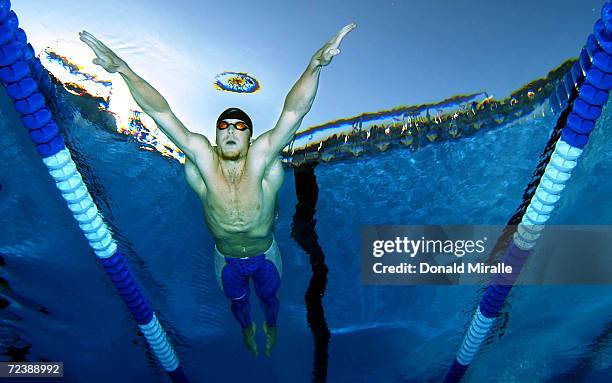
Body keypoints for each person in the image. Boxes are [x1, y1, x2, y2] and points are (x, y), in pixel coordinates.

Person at [79, 23, 356, 357]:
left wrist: (314, 67)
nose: (230, 131)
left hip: (266, 253)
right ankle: (248, 330)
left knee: (270, 299)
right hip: (224, 257)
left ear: (250, 137)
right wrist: (124, 70)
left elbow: (294, 112)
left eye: (240, 127)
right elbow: (160, 113)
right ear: (215, 134)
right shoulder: (202, 159)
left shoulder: (262, 160)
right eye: (223, 126)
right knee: (237, 305)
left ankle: (270, 327)